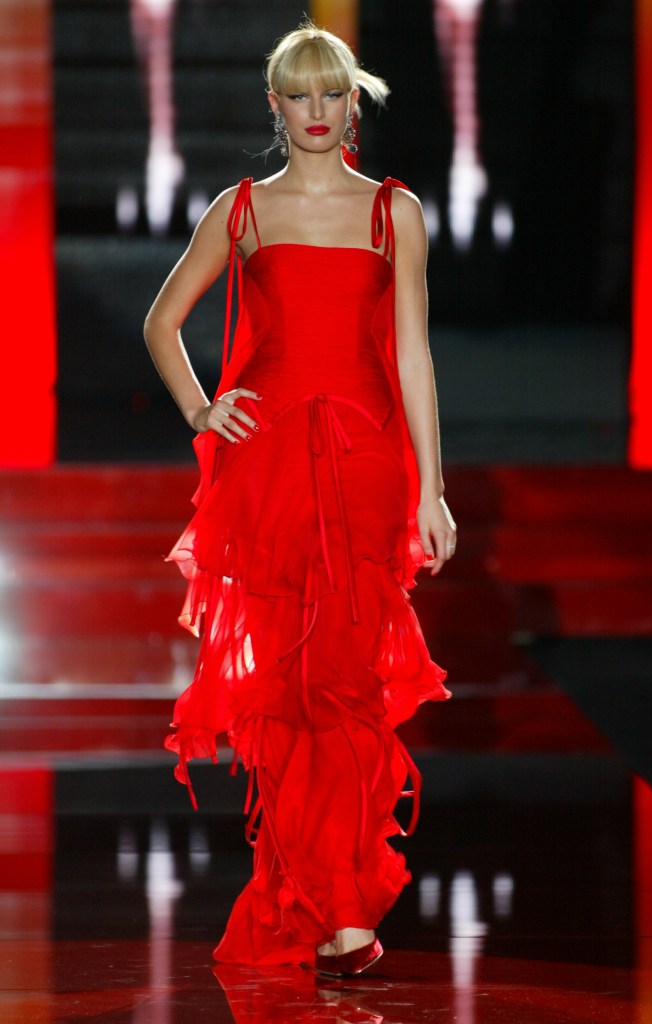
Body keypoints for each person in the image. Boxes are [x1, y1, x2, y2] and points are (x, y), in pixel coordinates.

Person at [144, 19, 457, 978]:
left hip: (365, 465)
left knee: (346, 685)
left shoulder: (390, 212)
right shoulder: (241, 210)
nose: (317, 112)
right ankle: (333, 910)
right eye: (299, 95)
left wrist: (432, 491)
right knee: (284, 689)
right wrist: (204, 408)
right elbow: (165, 320)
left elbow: (412, 356)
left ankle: (333, 899)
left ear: (350, 105)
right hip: (272, 466)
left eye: (333, 94)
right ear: (274, 107)